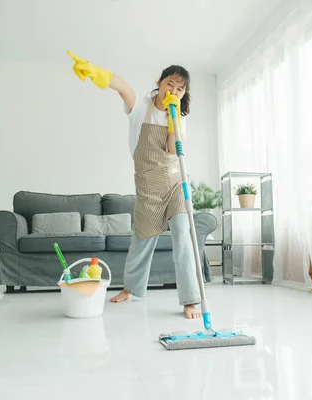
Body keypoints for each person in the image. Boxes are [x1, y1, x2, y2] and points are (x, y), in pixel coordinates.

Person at [67, 50, 202, 319]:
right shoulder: (141, 107)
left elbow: (172, 150)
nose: (172, 90)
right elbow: (123, 87)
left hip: (175, 183)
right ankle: (132, 289)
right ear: (159, 83)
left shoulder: (179, 116)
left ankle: (190, 300)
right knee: (141, 239)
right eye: (169, 85)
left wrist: (175, 116)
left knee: (182, 236)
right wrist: (97, 72)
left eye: (179, 88)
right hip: (148, 186)